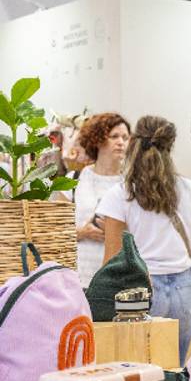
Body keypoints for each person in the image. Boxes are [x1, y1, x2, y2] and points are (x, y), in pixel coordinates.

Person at [98, 116, 191, 366]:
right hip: (184, 290)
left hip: (141, 290)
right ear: (169, 147)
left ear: (135, 143)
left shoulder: (121, 194)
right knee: (176, 367)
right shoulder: (190, 190)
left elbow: (113, 260)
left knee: (140, 371)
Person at [73, 113, 130, 288]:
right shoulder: (74, 180)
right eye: (114, 136)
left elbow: (144, 231)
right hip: (78, 276)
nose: (121, 142)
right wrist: (82, 232)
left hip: (117, 277)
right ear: (97, 140)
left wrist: (117, 231)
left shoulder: (131, 184)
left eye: (125, 137)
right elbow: (56, 231)